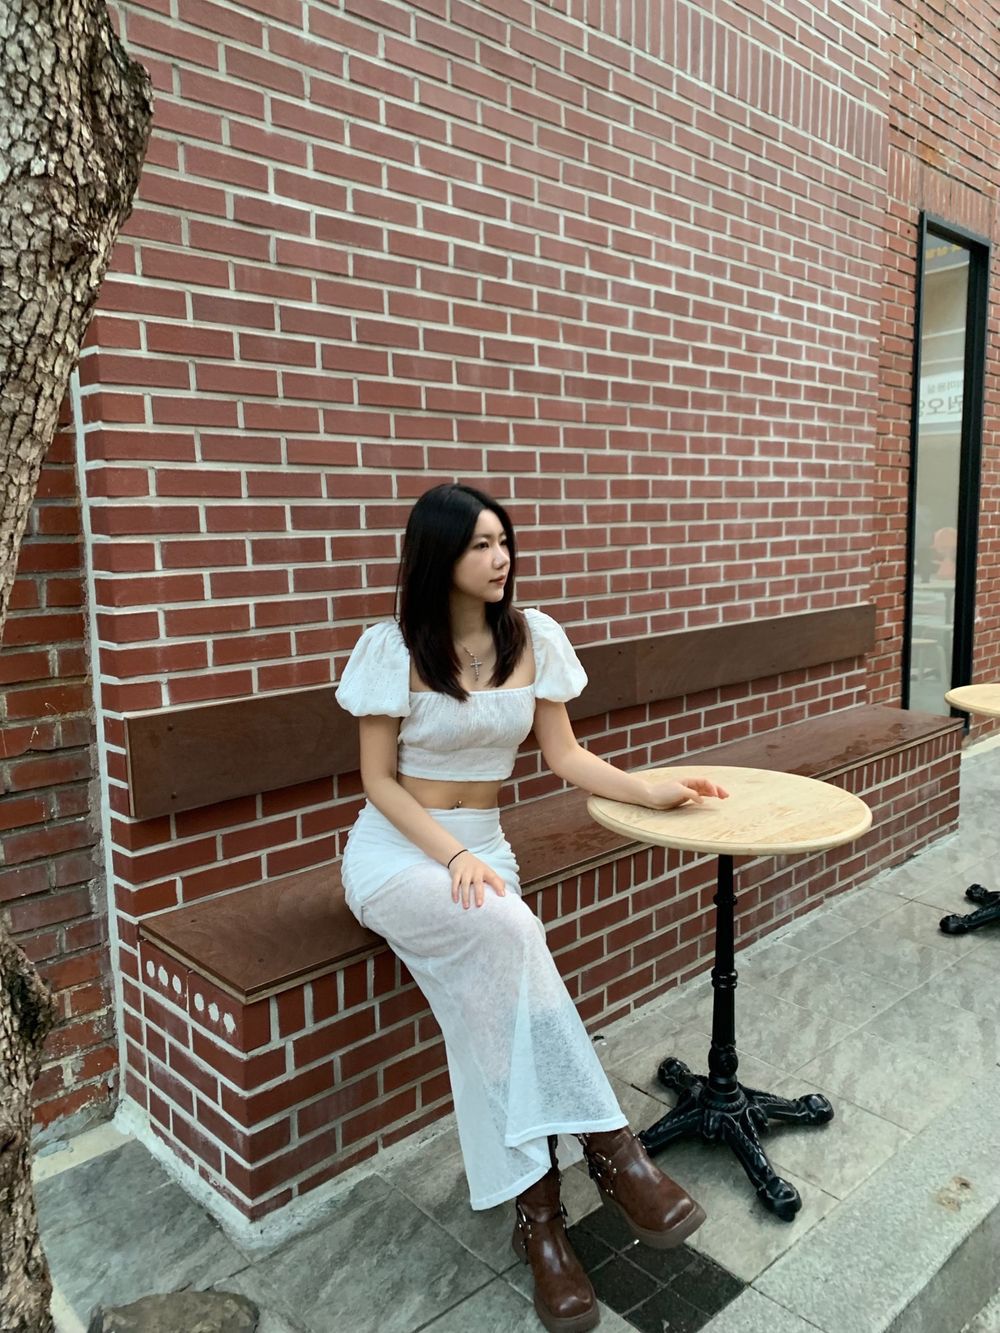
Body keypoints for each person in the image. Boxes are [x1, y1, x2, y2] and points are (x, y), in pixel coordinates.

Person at [335, 483, 729, 1333]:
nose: (500, 557)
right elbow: (377, 783)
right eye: (479, 544)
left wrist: (651, 787)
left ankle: (540, 1218)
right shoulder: (392, 648)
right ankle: (612, 1149)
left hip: (484, 848)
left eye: (503, 540)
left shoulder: (533, 636)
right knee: (513, 930)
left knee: (494, 1013)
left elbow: (565, 754)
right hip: (399, 853)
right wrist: (454, 855)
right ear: (438, 555)